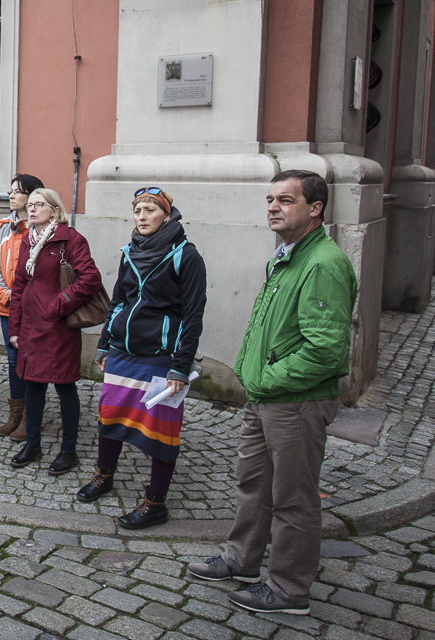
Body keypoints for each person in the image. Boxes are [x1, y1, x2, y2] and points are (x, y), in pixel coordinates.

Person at [187, 170, 356, 617]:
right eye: (269, 199)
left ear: (315, 208)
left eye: (285, 199)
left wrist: (264, 379)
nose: (273, 207)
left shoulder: (324, 263)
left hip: (295, 400)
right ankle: (241, 561)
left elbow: (325, 350)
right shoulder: (288, 254)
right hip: (267, 397)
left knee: (293, 499)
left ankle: (288, 589)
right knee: (254, 485)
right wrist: (253, 377)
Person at [78, 187, 206, 530]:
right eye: (138, 210)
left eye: (150, 210)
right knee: (110, 417)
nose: (142, 216)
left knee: (161, 433)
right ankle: (104, 477)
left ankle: (156, 502)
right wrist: (104, 344)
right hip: (123, 352)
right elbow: (118, 301)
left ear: (166, 214)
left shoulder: (186, 255)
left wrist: (181, 365)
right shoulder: (129, 251)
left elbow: (193, 315)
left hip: (162, 358)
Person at [7, 188, 102, 475]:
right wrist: (15, 327)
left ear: (55, 211)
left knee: (64, 387)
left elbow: (90, 279)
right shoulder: (27, 240)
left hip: (59, 328)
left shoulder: (70, 240)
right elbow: (20, 285)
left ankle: (68, 451)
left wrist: (58, 305)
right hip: (32, 328)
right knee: (33, 385)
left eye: (39, 205)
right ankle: (33, 443)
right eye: (30, 204)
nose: (32, 209)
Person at [0, 173, 44, 443]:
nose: (11, 195)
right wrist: (7, 295)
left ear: (33, 197)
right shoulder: (2, 227)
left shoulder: (40, 229)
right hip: (8, 306)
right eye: (10, 191)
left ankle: (32, 418)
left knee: (31, 360)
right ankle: (15, 414)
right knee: (12, 360)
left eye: (17, 191)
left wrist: (24, 301)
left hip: (32, 310)